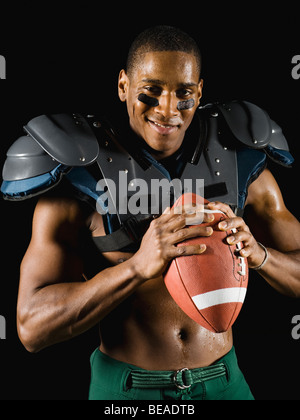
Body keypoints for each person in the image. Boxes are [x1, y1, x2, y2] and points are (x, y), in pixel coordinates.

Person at [2, 26, 300, 401]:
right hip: (127, 391)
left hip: (225, 383)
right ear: (124, 85)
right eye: (151, 90)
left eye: (184, 94)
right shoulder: (82, 179)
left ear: (200, 92)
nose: (168, 109)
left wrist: (261, 256)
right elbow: (31, 327)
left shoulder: (241, 169)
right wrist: (136, 267)